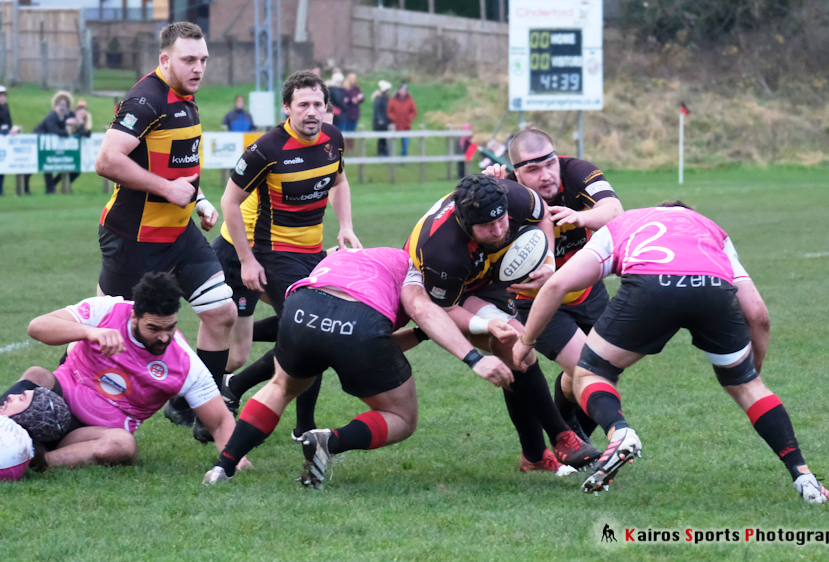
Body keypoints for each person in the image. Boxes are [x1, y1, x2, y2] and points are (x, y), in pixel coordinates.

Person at [513, 202, 829, 503]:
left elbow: (556, 285)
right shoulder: (710, 230)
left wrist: (526, 343)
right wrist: (750, 374)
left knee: (589, 373)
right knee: (749, 388)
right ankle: (804, 478)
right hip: (712, 290)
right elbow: (758, 315)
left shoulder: (624, 224)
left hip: (651, 287)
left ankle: (620, 432)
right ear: (687, 215)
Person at [204, 247, 513, 487]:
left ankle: (222, 467)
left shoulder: (350, 255)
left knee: (282, 387)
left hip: (303, 306)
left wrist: (424, 334)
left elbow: (376, 345)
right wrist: (474, 358)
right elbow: (417, 311)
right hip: (359, 324)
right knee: (402, 418)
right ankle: (329, 442)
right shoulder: (409, 265)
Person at [93, 22, 237, 439]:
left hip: (178, 234)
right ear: (165, 60)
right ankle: (59, 397)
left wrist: (200, 200)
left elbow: (176, 166)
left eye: (203, 60)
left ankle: (195, 409)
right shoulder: (146, 99)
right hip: (132, 238)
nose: (198, 68)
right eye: (188, 60)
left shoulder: (185, 98)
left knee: (221, 312)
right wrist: (166, 189)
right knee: (104, 331)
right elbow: (106, 161)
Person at [405, 174, 600, 471]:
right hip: (449, 292)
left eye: (501, 221)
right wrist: (485, 326)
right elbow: (445, 308)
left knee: (516, 356)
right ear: (465, 223)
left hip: (490, 272)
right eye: (487, 226)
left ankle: (534, 457)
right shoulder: (440, 251)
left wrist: (547, 261)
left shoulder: (513, 195)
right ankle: (562, 436)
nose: (498, 230)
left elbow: (544, 217)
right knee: (514, 342)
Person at [216, 70, 362, 441]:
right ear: (287, 108)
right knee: (309, 331)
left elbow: (339, 182)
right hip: (272, 252)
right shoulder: (266, 149)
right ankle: (301, 426)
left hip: (312, 253)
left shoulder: (333, 139)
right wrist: (248, 260)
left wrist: (345, 226)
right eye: (304, 105)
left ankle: (234, 388)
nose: (312, 112)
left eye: (318, 104)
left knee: (299, 331)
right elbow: (229, 203)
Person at [0, 272, 247, 469]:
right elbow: (37, 327)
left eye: (170, 327)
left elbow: (220, 422)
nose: (164, 337)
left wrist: (236, 462)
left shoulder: (184, 364)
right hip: (54, 404)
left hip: (90, 435)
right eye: (154, 328)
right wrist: (89, 332)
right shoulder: (107, 311)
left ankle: (39, 463)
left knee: (123, 445)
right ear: (134, 316)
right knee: (37, 375)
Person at [482, 127, 623, 471]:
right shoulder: (505, 191)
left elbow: (615, 209)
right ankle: (572, 443)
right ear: (516, 172)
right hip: (534, 297)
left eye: (548, 164)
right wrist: (489, 191)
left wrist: (581, 217)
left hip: (587, 291)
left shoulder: (577, 171)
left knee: (605, 370)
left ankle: (562, 442)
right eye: (531, 169)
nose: (544, 175)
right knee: (585, 368)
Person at [33, 90, 86, 194]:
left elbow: (76, 129)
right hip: (43, 144)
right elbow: (53, 130)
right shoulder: (52, 115)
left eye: (64, 105)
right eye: (60, 104)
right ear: (55, 105)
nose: (62, 107)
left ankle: (54, 184)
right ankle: (50, 189)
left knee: (71, 167)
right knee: (47, 165)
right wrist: (66, 133)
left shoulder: (70, 114)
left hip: (59, 145)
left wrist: (82, 130)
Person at [387, 83, 417, 157]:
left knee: (405, 144)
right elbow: (388, 111)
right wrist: (392, 117)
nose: (403, 91)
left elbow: (414, 112)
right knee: (391, 143)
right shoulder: (393, 100)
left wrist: (409, 118)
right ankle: (390, 157)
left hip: (405, 126)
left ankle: (403, 159)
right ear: (399, 90)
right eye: (402, 89)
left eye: (405, 90)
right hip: (395, 125)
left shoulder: (410, 101)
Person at [340, 73, 363, 151]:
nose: (353, 80)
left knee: (352, 131)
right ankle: (345, 148)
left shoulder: (357, 89)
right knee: (346, 131)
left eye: (354, 78)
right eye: (352, 78)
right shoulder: (345, 89)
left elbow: (362, 98)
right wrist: (351, 100)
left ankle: (350, 149)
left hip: (355, 113)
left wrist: (359, 99)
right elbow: (344, 100)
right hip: (347, 113)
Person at [371, 80, 392, 157]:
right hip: (380, 122)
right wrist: (380, 120)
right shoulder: (379, 99)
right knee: (382, 138)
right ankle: (380, 153)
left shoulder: (384, 98)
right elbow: (377, 111)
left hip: (385, 121)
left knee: (383, 138)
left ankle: (383, 152)